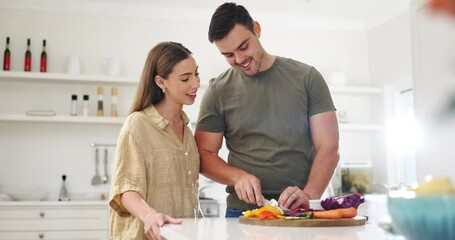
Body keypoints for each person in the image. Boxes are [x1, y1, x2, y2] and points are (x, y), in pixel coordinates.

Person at [195, 2, 340, 218]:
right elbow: (204, 155)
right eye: (228, 55)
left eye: (244, 47)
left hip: (299, 212)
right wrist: (238, 177)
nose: (240, 59)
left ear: (257, 29)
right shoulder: (218, 91)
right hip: (242, 213)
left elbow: (328, 146)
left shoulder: (307, 78)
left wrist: (309, 195)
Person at [109, 41, 202, 240]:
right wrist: (150, 216)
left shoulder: (187, 129)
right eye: (185, 78)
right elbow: (126, 190)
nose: (195, 84)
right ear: (161, 82)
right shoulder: (137, 125)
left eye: (196, 74)